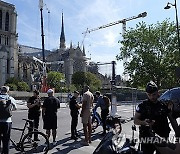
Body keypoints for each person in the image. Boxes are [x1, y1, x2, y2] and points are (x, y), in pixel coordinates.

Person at [134, 81, 171, 154]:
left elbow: (172, 119)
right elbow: (135, 120)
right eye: (149, 95)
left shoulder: (164, 105)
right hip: (147, 137)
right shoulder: (142, 106)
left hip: (162, 135)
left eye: (154, 94)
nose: (152, 97)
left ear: (158, 92)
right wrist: (144, 122)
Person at [0, 86, 17, 154]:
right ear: (8, 91)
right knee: (6, 140)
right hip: (7, 121)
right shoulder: (10, 98)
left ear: (1, 91)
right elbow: (15, 108)